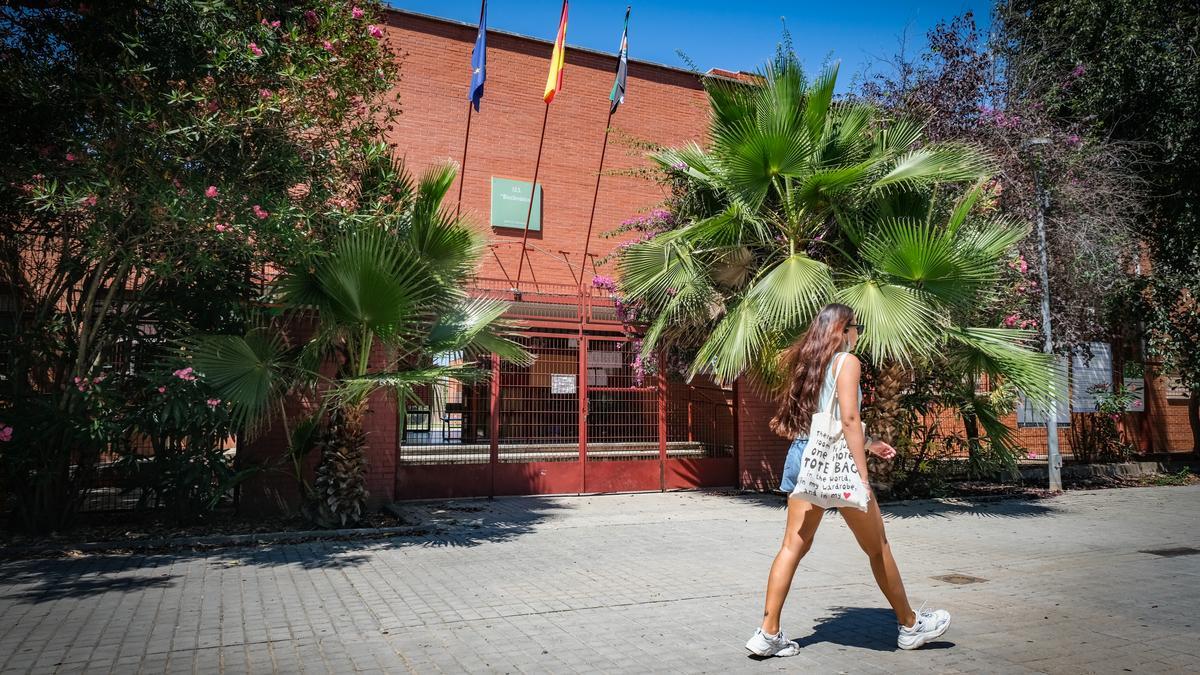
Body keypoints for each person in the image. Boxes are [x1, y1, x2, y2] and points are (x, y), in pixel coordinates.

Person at [745, 303, 951, 657]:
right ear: (843, 330)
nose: (858, 334)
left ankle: (768, 633)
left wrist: (871, 445)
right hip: (838, 466)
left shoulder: (809, 364)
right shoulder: (847, 362)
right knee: (877, 547)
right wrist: (862, 472)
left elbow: (825, 421)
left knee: (792, 547)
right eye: (857, 327)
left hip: (804, 457)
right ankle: (910, 625)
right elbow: (850, 420)